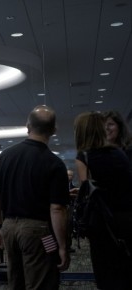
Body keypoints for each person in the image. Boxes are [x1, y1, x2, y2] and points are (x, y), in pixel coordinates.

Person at [0, 105, 70, 289]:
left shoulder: (5, 156)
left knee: (15, 280)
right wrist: (63, 247)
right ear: (53, 131)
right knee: (43, 279)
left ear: (27, 126)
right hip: (41, 232)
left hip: (8, 228)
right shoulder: (54, 164)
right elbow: (57, 209)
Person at [74, 111, 132, 289]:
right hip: (125, 219)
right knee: (124, 272)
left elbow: (88, 193)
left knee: (105, 273)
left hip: (102, 222)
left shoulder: (84, 157)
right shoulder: (120, 154)